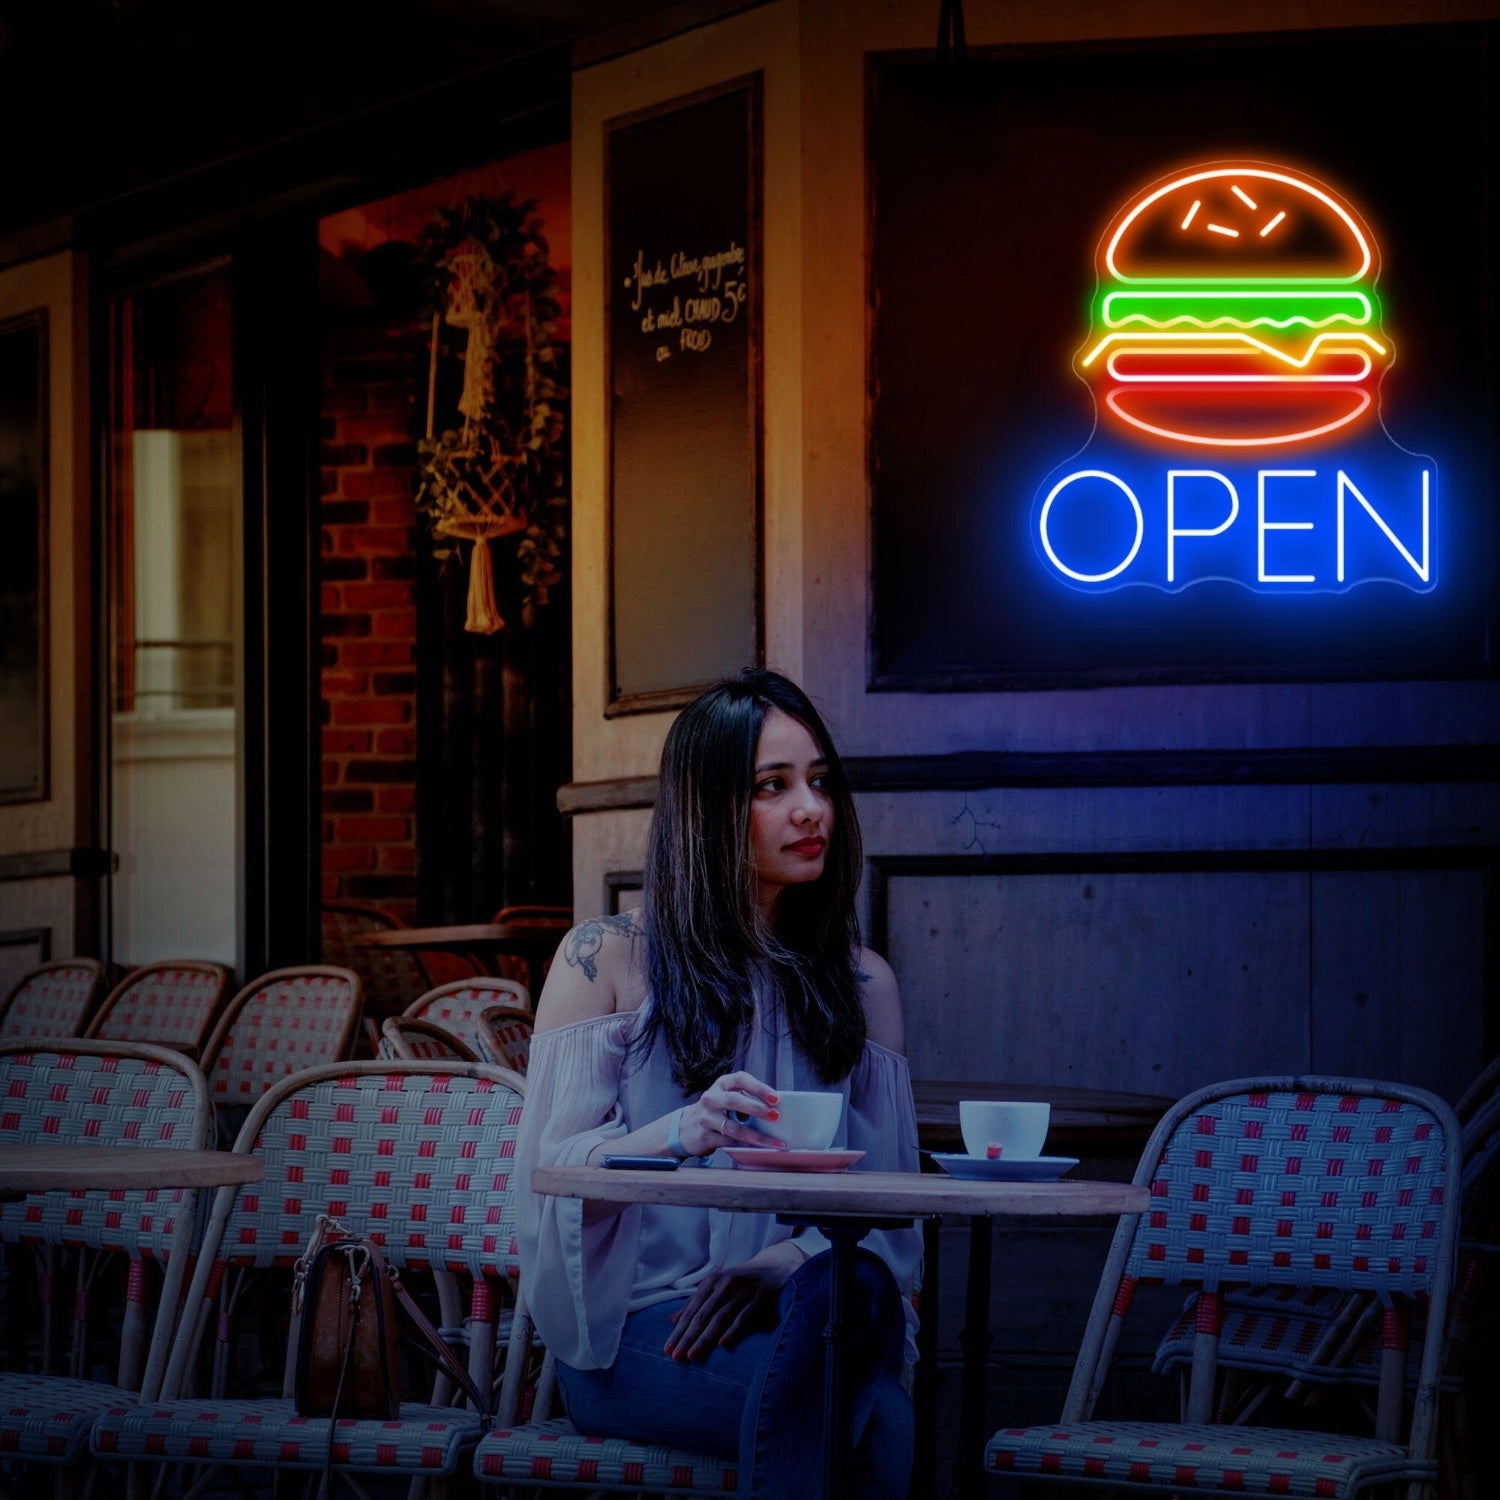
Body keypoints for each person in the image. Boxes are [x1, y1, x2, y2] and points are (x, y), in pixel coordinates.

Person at [515, 669, 922, 1500]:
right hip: (636, 1334)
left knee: (855, 1295)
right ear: (705, 809)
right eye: (773, 787)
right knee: (876, 1416)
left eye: (819, 782)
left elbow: (892, 1206)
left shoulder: (863, 983)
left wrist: (787, 1260)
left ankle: (820, 1299)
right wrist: (680, 1134)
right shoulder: (606, 961)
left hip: (803, 1314)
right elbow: (549, 1183)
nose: (811, 810)